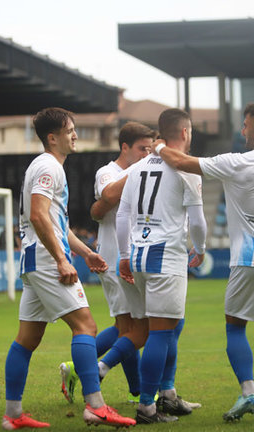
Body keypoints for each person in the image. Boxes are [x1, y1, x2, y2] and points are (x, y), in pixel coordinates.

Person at [151, 102, 254, 424]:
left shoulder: (237, 162)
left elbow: (181, 160)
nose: (242, 130)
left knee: (235, 326)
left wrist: (156, 144)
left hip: (248, 257)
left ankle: (248, 390)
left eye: (245, 124)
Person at [2, 107, 135, 429]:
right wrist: (62, 259)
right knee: (86, 327)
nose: (75, 135)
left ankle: (13, 414)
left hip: (34, 259)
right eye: (70, 130)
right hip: (48, 260)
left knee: (27, 339)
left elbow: (54, 221)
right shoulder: (50, 166)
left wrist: (86, 253)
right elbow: (37, 214)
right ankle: (96, 407)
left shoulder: (45, 165)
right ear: (53, 137)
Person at [117, 108, 207, 424]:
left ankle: (166, 394)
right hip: (165, 256)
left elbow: (122, 214)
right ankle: (147, 407)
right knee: (160, 333)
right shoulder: (186, 169)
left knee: (168, 328)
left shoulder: (138, 166)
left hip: (139, 256)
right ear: (184, 133)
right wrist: (202, 248)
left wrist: (124, 255)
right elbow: (197, 220)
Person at [59, 122, 155, 405]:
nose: (147, 154)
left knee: (129, 328)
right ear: (125, 147)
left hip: (134, 257)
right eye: (142, 149)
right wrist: (141, 168)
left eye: (150, 149)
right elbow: (109, 196)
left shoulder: (145, 172)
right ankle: (132, 389)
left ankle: (89, 372)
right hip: (113, 259)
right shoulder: (108, 171)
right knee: (134, 328)